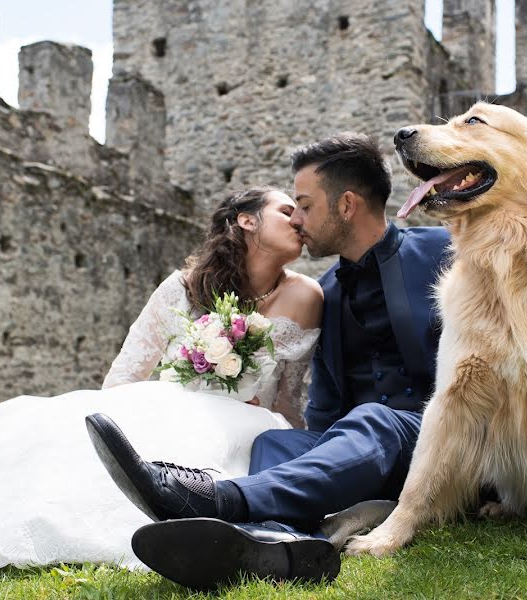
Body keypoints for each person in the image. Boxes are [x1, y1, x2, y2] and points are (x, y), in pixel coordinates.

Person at [0, 187, 323, 571]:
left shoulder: (305, 295)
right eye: (286, 210)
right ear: (246, 220)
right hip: (168, 405)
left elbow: (287, 397)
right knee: (48, 433)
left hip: (246, 429)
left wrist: (297, 452)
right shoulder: (184, 287)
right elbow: (127, 373)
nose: (299, 220)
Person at [87, 133, 453, 589]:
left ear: (346, 206)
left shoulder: (445, 252)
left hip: (444, 438)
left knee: (374, 418)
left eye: (304, 204)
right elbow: (323, 401)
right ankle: (275, 540)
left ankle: (216, 501)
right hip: (363, 450)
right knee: (272, 445)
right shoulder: (328, 293)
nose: (298, 219)